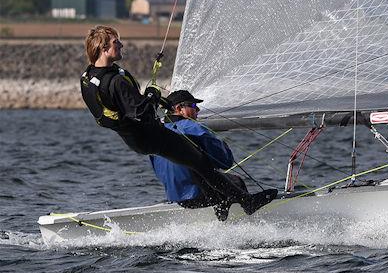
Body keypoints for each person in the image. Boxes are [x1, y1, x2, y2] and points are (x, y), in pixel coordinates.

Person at [80, 25, 275, 220]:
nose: (121, 45)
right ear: (103, 47)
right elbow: (140, 112)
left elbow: (117, 110)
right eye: (116, 42)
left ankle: (222, 202)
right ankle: (245, 202)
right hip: (150, 135)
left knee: (193, 162)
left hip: (135, 139)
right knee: (200, 162)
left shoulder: (89, 77)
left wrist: (156, 99)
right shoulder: (116, 82)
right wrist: (151, 95)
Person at [150, 90, 263, 221]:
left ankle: (220, 215)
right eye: (193, 106)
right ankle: (250, 219)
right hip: (202, 196)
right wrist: (223, 144)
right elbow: (226, 162)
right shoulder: (193, 128)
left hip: (176, 198)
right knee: (237, 181)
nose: (197, 110)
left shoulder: (156, 133)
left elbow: (159, 172)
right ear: (179, 109)